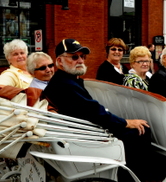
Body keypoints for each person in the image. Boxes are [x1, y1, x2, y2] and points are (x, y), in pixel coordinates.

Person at [43, 39, 152, 181]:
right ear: (59, 61)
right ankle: (133, 178)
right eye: (74, 57)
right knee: (141, 130)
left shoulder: (66, 80)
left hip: (81, 130)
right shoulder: (66, 84)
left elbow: (91, 109)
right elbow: (95, 112)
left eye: (82, 57)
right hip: (85, 136)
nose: (80, 60)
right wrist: (125, 122)